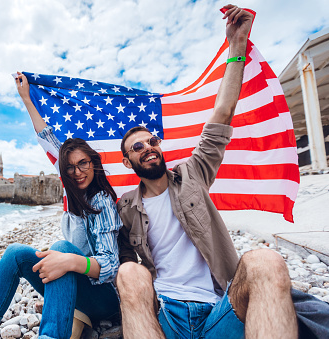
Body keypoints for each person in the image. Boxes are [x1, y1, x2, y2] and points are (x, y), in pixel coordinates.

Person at [115, 5, 297, 339]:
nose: (149, 147)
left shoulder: (192, 173)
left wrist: (236, 45)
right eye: (138, 147)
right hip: (165, 316)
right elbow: (82, 188)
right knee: (128, 273)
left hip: (219, 307)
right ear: (128, 162)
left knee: (264, 261)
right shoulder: (124, 207)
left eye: (152, 140)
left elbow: (223, 112)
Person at [0, 72, 122, 339]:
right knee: (16, 252)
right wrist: (27, 98)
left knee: (60, 250)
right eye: (70, 167)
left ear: (92, 163)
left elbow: (111, 266)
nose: (77, 172)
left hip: (105, 300)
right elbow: (47, 137)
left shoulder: (102, 200)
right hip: (76, 285)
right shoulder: (70, 187)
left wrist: (70, 260)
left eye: (83, 163)